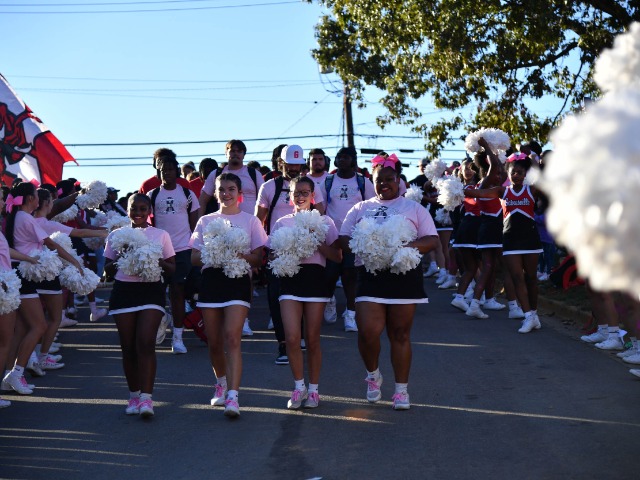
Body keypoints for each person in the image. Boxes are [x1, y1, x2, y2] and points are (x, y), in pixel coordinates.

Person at [340, 154, 438, 410]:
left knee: (400, 334)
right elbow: (343, 238)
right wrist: (364, 244)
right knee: (368, 332)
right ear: (372, 181)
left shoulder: (413, 208)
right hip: (370, 274)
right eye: (379, 180)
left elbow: (431, 239)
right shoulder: (360, 208)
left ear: (398, 180)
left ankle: (401, 391)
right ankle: (373, 375)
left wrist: (405, 247)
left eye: (389, 179)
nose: (384, 184)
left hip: (403, 275)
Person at [189, 173, 267, 417]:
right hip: (211, 281)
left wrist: (237, 254)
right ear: (215, 193)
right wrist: (215, 251)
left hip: (237, 281)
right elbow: (194, 258)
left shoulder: (251, 220)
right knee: (214, 342)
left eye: (231, 189)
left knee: (232, 338)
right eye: (221, 189)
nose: (226, 193)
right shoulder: (205, 221)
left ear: (239, 193)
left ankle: (233, 396)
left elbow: (258, 258)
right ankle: (221, 383)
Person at [1, 182, 84, 395]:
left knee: (21, 328)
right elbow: (51, 244)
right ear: (31, 199)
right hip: (22, 275)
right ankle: (16, 373)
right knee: (39, 325)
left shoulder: (18, 217)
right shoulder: (25, 217)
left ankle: (9, 375)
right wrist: (74, 261)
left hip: (18, 272)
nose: (39, 199)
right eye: (36, 195)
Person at [270, 176, 341, 409]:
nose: (300, 196)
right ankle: (298, 387)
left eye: (305, 192)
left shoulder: (325, 221)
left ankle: (314, 390)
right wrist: (286, 250)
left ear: (313, 195)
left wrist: (315, 239)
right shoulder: (281, 222)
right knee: (292, 338)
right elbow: (271, 254)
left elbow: (336, 256)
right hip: (289, 281)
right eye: (296, 193)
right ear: (290, 196)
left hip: (314, 281)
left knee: (312, 339)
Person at [104, 193, 175, 417]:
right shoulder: (116, 235)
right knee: (128, 348)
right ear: (127, 210)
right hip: (124, 293)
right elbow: (107, 270)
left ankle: (146, 399)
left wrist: (155, 259)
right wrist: (123, 254)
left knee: (145, 343)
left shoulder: (161, 235)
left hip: (151, 291)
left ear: (150, 211)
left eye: (143, 209)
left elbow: (172, 268)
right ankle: (134, 396)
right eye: (134, 208)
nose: (138, 213)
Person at [256, 145, 325, 365]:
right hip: (279, 251)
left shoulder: (312, 185)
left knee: (303, 296)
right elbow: (258, 221)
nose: (294, 168)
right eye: (290, 164)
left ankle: (300, 337)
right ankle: (283, 344)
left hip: (307, 251)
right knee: (277, 297)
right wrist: (262, 250)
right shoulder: (269, 186)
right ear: (281, 163)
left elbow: (320, 213)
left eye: (298, 164)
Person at [464, 152, 543, 333]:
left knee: (531, 278)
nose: (516, 175)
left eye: (520, 172)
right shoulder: (503, 191)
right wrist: (460, 190)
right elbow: (480, 193)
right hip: (510, 239)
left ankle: (534, 314)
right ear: (508, 174)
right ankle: (528, 316)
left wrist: (535, 163)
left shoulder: (531, 190)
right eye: (513, 172)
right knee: (517, 277)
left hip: (530, 239)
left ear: (525, 174)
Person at [32, 188, 108, 365]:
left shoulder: (29, 221)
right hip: (47, 274)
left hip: (32, 273)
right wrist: (106, 232)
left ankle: (32, 357)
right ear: (47, 203)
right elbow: (79, 232)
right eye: (51, 201)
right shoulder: (46, 224)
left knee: (36, 320)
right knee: (54, 318)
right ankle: (42, 357)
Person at [147, 151, 199, 354]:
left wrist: (195, 244)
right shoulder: (152, 195)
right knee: (158, 293)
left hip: (182, 249)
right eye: (163, 170)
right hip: (160, 251)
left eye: (170, 169)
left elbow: (195, 223)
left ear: (176, 171)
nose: (166, 173)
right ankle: (162, 321)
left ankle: (178, 338)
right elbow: (147, 223)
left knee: (178, 293)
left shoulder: (186, 193)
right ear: (158, 173)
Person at [318, 146, 375, 330]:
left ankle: (351, 313)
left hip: (354, 236)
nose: (342, 160)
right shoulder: (327, 181)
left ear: (353, 160)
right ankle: (330, 299)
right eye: (339, 157)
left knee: (351, 276)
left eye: (346, 157)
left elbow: (371, 207)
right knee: (329, 275)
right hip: (332, 237)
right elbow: (320, 208)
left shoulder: (363, 182)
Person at [0, 194, 39, 407]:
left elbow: (6, 250)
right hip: (3, 287)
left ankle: (9, 379)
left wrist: (30, 258)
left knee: (9, 338)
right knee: (4, 342)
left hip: (6, 286)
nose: (2, 203)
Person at [198, 140, 264, 218]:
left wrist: (259, 222)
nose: (236, 153)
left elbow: (264, 201)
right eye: (232, 151)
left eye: (239, 151)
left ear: (244, 155)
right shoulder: (216, 174)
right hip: (223, 223)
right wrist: (199, 222)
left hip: (250, 222)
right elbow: (202, 201)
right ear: (226, 153)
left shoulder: (254, 174)